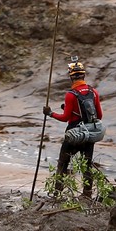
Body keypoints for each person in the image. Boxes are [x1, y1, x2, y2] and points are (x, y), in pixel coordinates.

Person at [44, 58, 104, 198]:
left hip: (73, 133)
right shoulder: (93, 92)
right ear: (84, 75)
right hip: (89, 133)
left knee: (63, 163)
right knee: (87, 164)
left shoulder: (70, 95)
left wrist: (50, 113)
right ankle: (87, 194)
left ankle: (57, 193)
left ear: (71, 77)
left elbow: (65, 118)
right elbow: (99, 115)